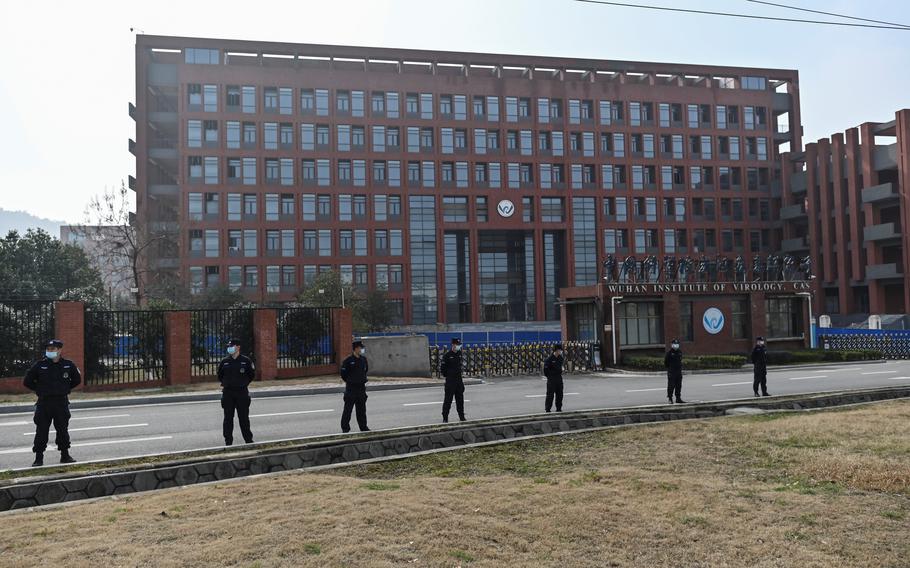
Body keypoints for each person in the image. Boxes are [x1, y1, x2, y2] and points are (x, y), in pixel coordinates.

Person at [23, 339, 81, 466]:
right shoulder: (40, 365)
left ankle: (65, 455)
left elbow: (77, 379)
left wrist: (65, 388)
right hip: (44, 403)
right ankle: (39, 458)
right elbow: (27, 381)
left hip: (61, 402)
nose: (50, 351)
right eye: (48, 349)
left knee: (62, 430)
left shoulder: (68, 364)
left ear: (60, 350)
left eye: (53, 349)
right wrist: (39, 389)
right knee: (41, 431)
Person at [217, 338, 255, 446]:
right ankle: (228, 442)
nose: (229, 348)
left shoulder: (246, 361)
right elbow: (220, 376)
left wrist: (242, 383)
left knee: (243, 418)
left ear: (238, 347)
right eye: (229, 346)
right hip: (228, 393)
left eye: (231, 346)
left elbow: (251, 375)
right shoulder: (225, 362)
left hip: (241, 393)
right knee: (228, 419)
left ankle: (248, 440)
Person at [340, 340, 370, 433]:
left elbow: (365, 370)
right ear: (356, 348)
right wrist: (350, 381)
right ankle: (345, 428)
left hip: (361, 388)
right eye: (360, 347)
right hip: (351, 388)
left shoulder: (363, 360)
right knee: (348, 410)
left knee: (361, 410)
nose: (361, 349)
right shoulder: (348, 361)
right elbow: (343, 374)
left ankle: (363, 427)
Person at [439, 338, 466, 422]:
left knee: (460, 400)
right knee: (448, 400)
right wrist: (449, 375)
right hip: (450, 381)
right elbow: (443, 369)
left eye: (459, 345)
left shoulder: (459, 354)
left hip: (458, 380)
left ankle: (461, 416)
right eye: (457, 345)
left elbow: (460, 366)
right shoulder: (447, 355)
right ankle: (445, 417)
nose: (459, 346)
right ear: (453, 345)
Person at [543, 343, 565, 412]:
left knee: (560, 394)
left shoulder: (561, 358)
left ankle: (559, 408)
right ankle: (548, 408)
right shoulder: (549, 359)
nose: (560, 352)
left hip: (559, 378)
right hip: (551, 379)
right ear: (556, 350)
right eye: (559, 350)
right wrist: (549, 376)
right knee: (550, 394)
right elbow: (545, 370)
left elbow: (561, 367)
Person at [664, 338, 684, 404]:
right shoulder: (669, 353)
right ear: (672, 345)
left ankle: (678, 398)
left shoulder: (680, 352)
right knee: (671, 386)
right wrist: (670, 369)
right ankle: (670, 398)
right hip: (672, 372)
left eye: (677, 344)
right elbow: (666, 362)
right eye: (674, 344)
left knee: (679, 385)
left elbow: (680, 361)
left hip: (678, 372)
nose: (676, 345)